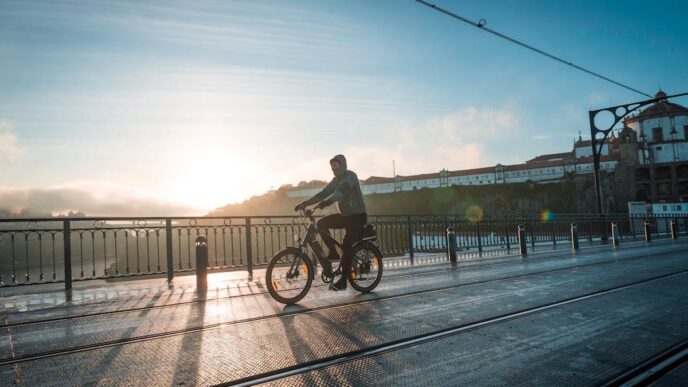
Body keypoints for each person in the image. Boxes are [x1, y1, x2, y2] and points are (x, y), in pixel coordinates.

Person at [294, 154, 367, 291]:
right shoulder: (336, 180)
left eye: (335, 165)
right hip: (346, 216)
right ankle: (333, 251)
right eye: (331, 166)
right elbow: (323, 192)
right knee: (321, 224)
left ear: (342, 165)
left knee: (346, 247)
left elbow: (340, 192)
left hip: (357, 217)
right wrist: (306, 203)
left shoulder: (350, 176)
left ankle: (344, 281)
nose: (333, 168)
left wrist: (326, 203)